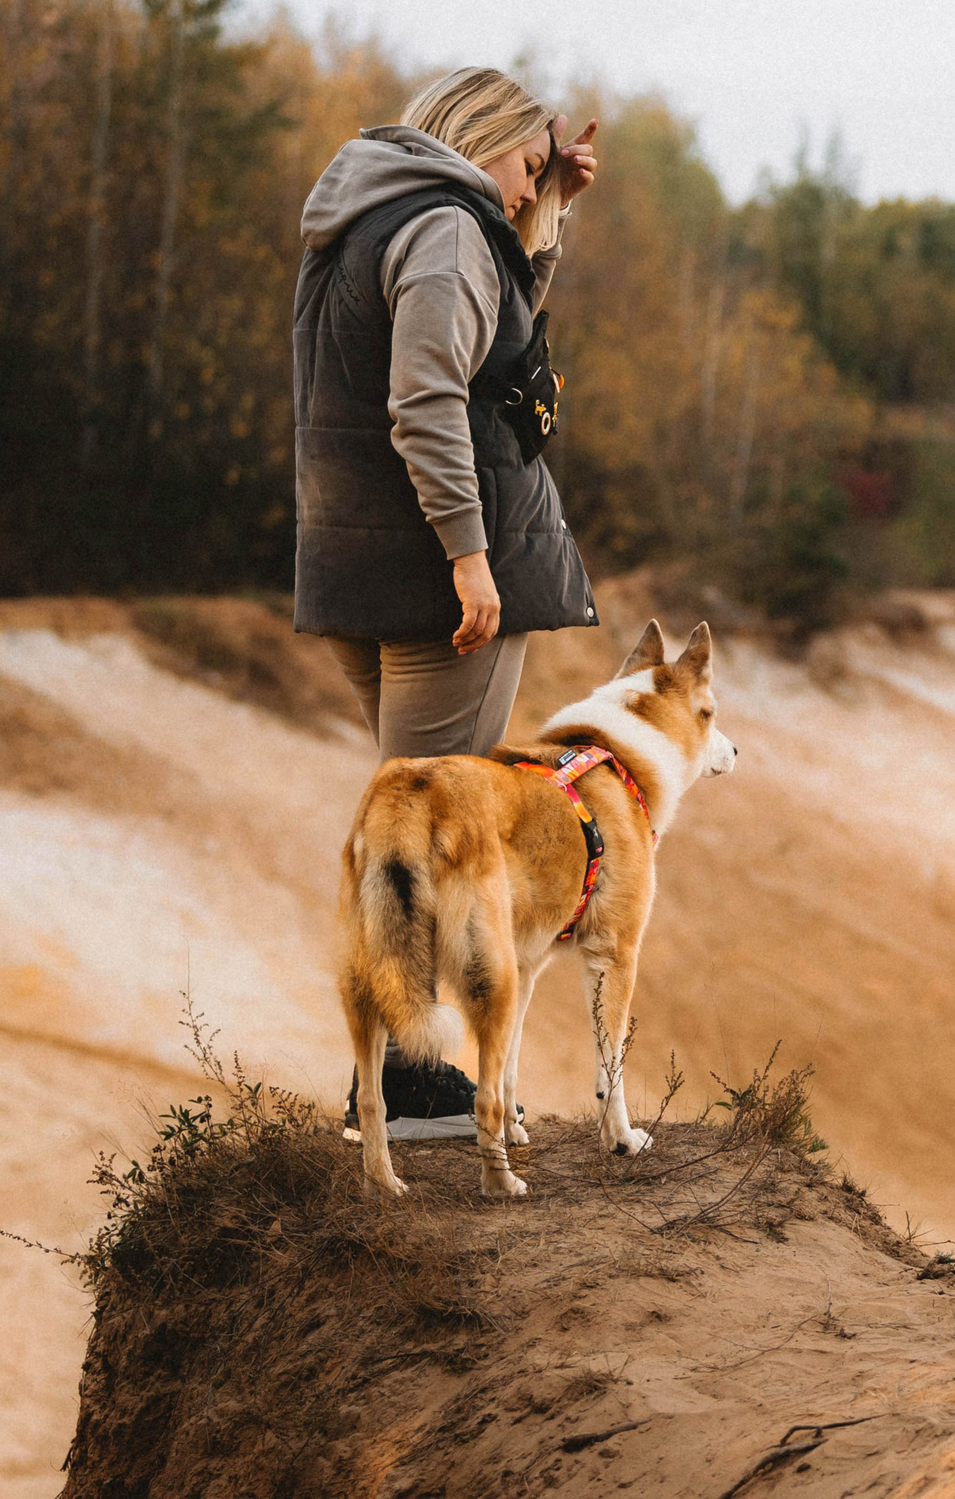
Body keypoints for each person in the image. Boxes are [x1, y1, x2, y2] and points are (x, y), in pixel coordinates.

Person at [292, 67, 601, 1138]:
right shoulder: (445, 232)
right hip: (434, 571)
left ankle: (397, 1081)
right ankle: (411, 1087)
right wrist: (471, 557)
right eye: (526, 160)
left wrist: (548, 207)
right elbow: (427, 395)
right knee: (425, 831)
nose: (527, 184)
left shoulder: (373, 217)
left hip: (358, 562)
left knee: (404, 815)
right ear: (481, 140)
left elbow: (494, 346)